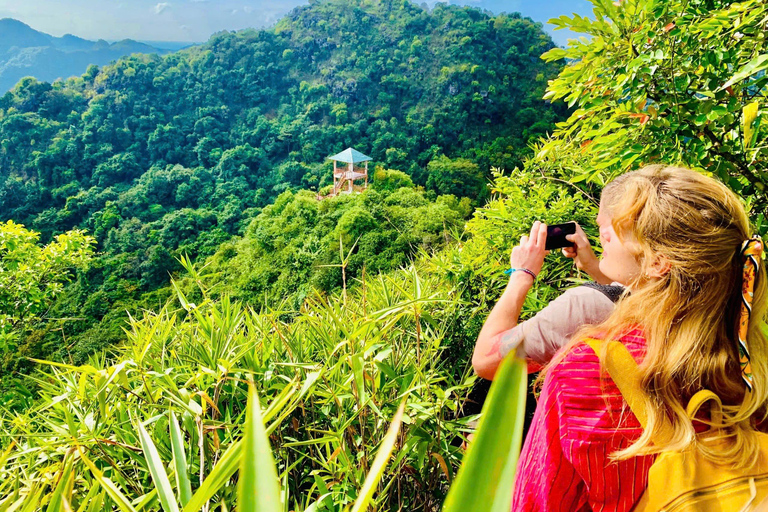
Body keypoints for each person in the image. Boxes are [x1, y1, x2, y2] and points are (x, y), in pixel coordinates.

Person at [509, 165, 767, 511]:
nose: (602, 240)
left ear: (658, 262)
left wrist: (521, 274)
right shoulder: (752, 359)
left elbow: (537, 502)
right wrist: (596, 269)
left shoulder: (586, 371)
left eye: (610, 235)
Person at [472, 175, 630, 380]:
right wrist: (590, 265)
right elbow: (630, 293)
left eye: (617, 227)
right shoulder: (671, 295)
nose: (603, 235)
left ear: (659, 262)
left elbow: (485, 361)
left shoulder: (585, 307)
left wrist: (521, 274)